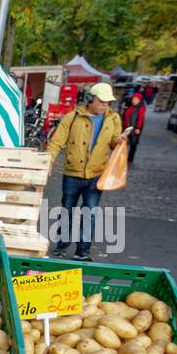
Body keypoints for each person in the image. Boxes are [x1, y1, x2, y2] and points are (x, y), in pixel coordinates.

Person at [45, 81, 126, 261]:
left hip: (96, 175)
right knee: (67, 209)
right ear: (91, 99)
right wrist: (47, 161)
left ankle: (83, 250)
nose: (105, 105)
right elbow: (57, 141)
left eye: (108, 102)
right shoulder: (72, 117)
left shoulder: (113, 119)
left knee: (89, 211)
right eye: (102, 101)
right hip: (72, 173)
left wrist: (119, 140)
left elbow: (113, 142)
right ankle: (62, 244)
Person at [121, 91, 146, 165]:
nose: (134, 101)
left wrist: (138, 128)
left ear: (139, 100)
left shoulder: (141, 108)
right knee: (124, 142)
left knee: (133, 143)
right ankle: (123, 157)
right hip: (127, 128)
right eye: (133, 99)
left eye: (136, 99)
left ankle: (130, 159)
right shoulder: (131, 106)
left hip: (134, 128)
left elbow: (141, 119)